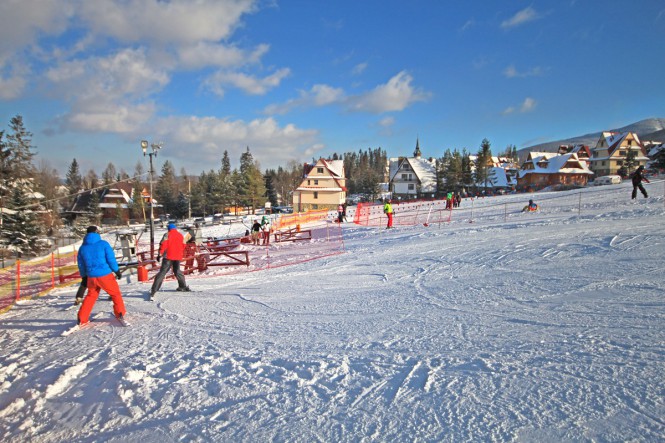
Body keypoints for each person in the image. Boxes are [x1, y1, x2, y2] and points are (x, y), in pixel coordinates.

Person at [76, 225, 126, 325]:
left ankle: (82, 317)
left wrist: (84, 276)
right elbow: (111, 259)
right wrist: (117, 271)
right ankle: (120, 313)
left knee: (91, 296)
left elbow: (81, 264)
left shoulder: (82, 248)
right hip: (105, 275)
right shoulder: (103, 244)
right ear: (96, 232)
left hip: (91, 276)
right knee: (115, 294)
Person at [150, 223, 190, 301]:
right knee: (177, 271)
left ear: (169, 229)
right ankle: (183, 286)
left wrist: (159, 254)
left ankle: (154, 290)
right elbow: (183, 245)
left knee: (162, 272)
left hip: (168, 257)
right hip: (177, 256)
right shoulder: (180, 235)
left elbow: (163, 245)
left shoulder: (167, 235)